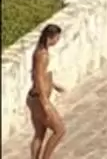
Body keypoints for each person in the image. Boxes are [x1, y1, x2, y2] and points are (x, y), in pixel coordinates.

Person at [27, 22, 64, 159]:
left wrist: (54, 85)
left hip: (36, 98)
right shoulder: (42, 55)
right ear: (51, 37)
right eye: (57, 38)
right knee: (59, 130)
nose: (57, 41)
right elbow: (37, 77)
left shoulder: (41, 51)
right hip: (39, 98)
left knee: (39, 134)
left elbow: (42, 74)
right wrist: (45, 103)